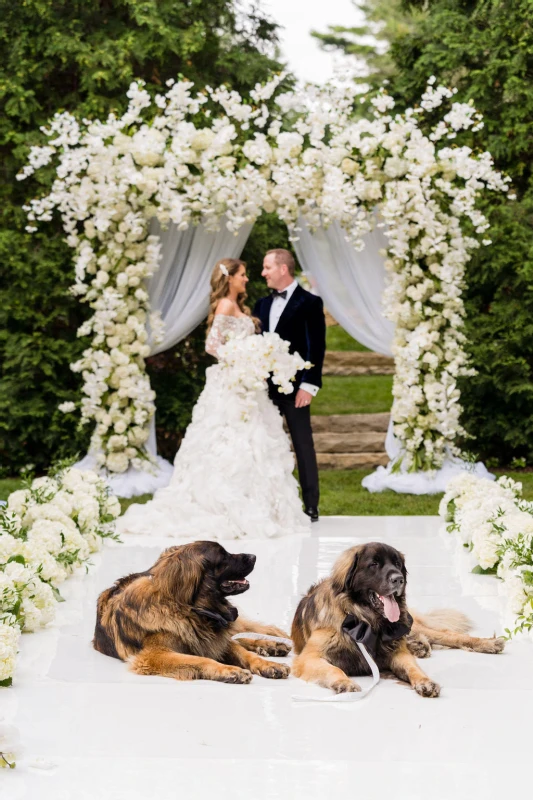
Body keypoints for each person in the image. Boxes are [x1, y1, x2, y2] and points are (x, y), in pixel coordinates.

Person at [116, 258, 310, 540]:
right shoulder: (225, 306)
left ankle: (260, 505)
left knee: (255, 443)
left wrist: (254, 361)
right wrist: (241, 361)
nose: (247, 279)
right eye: (242, 274)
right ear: (229, 278)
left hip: (248, 386)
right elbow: (212, 345)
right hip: (232, 383)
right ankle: (223, 506)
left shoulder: (239, 307)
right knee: (229, 443)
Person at [254, 249, 326, 522]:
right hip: (263, 391)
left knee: (302, 444)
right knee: (264, 445)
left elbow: (316, 347)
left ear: (283, 268)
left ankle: (311, 505)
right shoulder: (261, 305)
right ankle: (270, 505)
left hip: (296, 389)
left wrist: (309, 385)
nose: (263, 273)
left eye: (267, 267)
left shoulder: (310, 303)